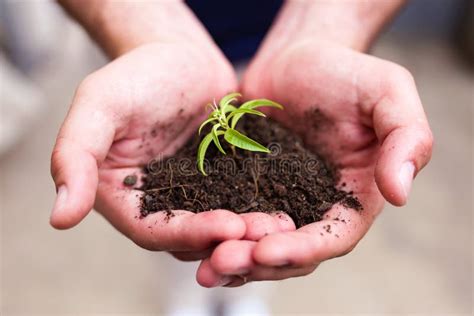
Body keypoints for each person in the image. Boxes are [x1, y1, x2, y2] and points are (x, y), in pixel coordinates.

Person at [51, 0, 433, 288]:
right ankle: (186, 287)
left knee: (267, 242)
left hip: (292, 47)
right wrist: (146, 29)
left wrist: (326, 27)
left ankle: (241, 287)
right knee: (182, 234)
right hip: (138, 45)